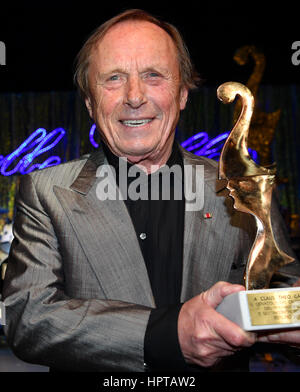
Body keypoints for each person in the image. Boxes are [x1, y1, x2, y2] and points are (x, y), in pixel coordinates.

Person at [2, 9, 300, 372]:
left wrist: (281, 320)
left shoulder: (241, 188)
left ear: (182, 94)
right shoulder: (46, 193)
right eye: (113, 79)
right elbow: (29, 319)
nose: (134, 96)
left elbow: (284, 292)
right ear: (90, 103)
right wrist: (166, 335)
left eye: (153, 76)